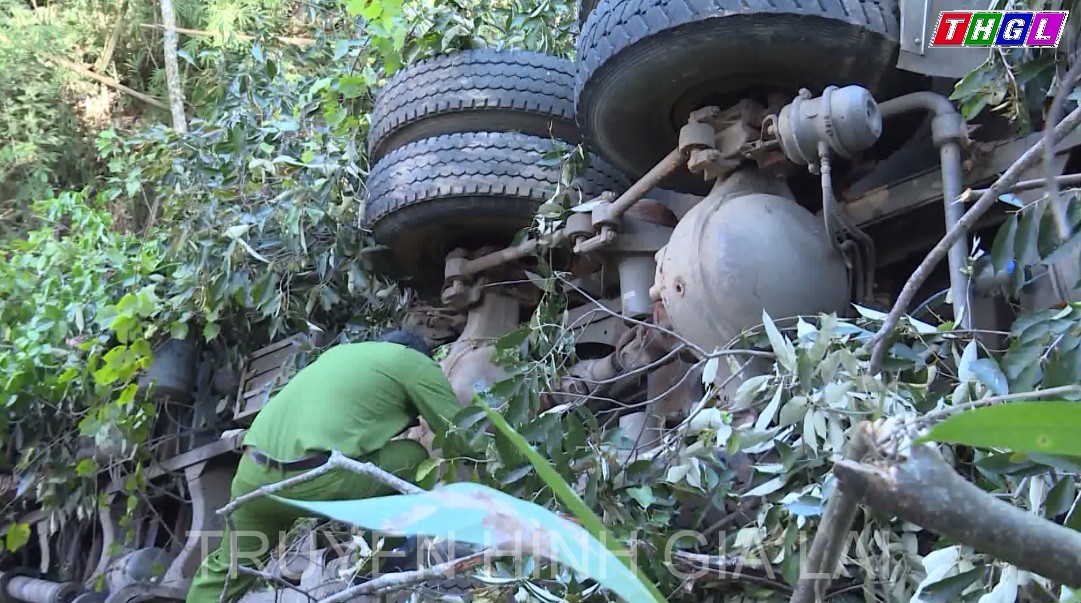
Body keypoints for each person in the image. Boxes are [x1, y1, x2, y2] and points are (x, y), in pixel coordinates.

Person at [185, 330, 465, 603]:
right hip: (318, 478)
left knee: (228, 568)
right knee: (414, 456)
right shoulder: (413, 362)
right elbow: (463, 433)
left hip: (252, 476)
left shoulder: (340, 356)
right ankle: (373, 563)